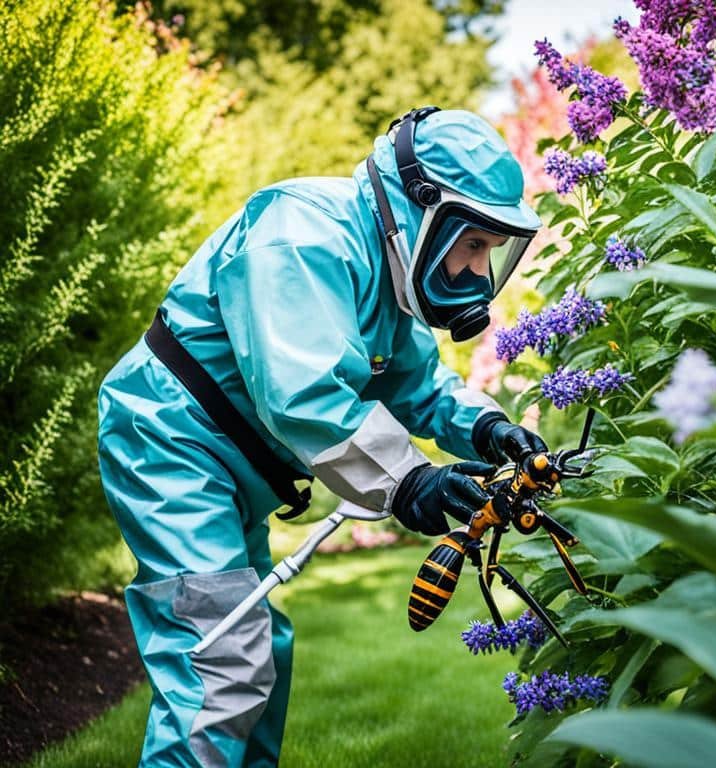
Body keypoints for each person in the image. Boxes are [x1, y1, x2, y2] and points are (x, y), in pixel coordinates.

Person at [96, 107, 547, 767]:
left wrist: (490, 429)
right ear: (423, 212)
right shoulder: (302, 235)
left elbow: (420, 388)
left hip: (224, 460)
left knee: (260, 651)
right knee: (221, 659)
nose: (478, 272)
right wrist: (411, 482)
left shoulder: (382, 272)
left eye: (488, 251)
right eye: (473, 244)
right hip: (171, 442)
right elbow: (303, 395)